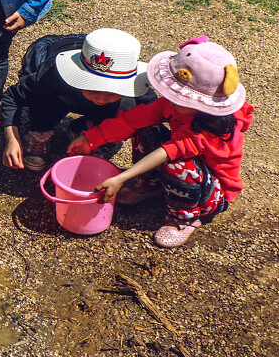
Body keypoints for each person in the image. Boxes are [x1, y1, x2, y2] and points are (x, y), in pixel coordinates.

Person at [67, 37, 254, 248]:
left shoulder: (213, 129)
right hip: (183, 166)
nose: (169, 99)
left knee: (180, 166)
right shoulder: (173, 106)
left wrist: (122, 177)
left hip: (212, 194)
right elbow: (133, 119)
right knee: (145, 128)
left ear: (201, 105)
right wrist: (92, 138)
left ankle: (185, 219)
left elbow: (168, 152)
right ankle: (151, 185)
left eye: (177, 97)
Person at [0, 29, 158, 183]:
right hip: (64, 74)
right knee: (44, 100)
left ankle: (83, 129)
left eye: (112, 92)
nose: (101, 99)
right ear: (77, 77)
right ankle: (40, 130)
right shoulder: (53, 75)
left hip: (84, 88)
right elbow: (12, 97)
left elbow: (153, 114)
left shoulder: (137, 90)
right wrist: (12, 139)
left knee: (127, 111)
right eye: (93, 90)